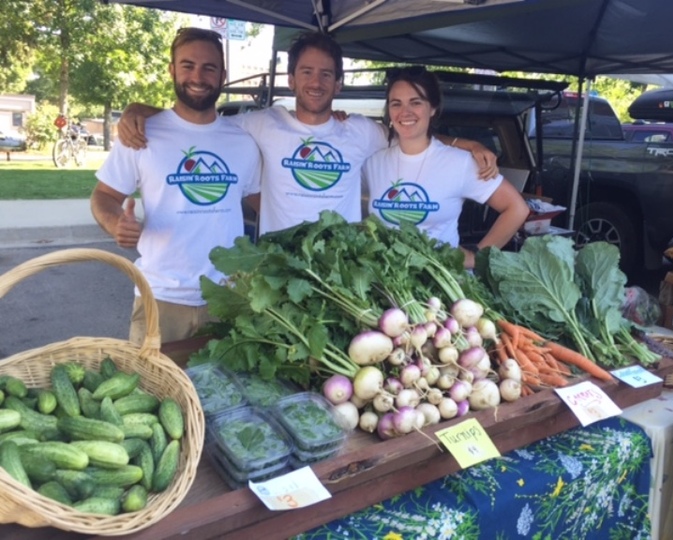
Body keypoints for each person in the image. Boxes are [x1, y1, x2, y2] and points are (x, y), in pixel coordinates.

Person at [118, 31, 499, 237]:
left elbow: (410, 128)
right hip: (277, 266)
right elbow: (197, 115)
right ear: (291, 80)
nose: (316, 83)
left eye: (326, 74)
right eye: (307, 73)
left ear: (338, 83)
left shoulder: (362, 131)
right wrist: (143, 112)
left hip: (341, 267)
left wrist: (464, 143)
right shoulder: (261, 122)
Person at [91, 27, 262, 346]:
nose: (198, 76)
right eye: (187, 65)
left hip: (227, 298)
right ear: (172, 69)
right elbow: (104, 195)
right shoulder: (141, 134)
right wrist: (117, 223)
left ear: (222, 75)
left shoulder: (243, 141)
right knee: (152, 392)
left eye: (209, 67)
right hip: (160, 298)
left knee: (224, 395)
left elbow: (264, 203)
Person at [363, 66, 529, 269]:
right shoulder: (374, 160)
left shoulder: (460, 162)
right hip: (388, 280)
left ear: (433, 108)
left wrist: (477, 257)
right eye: (396, 104)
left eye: (415, 102)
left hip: (441, 285)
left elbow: (516, 208)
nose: (404, 112)